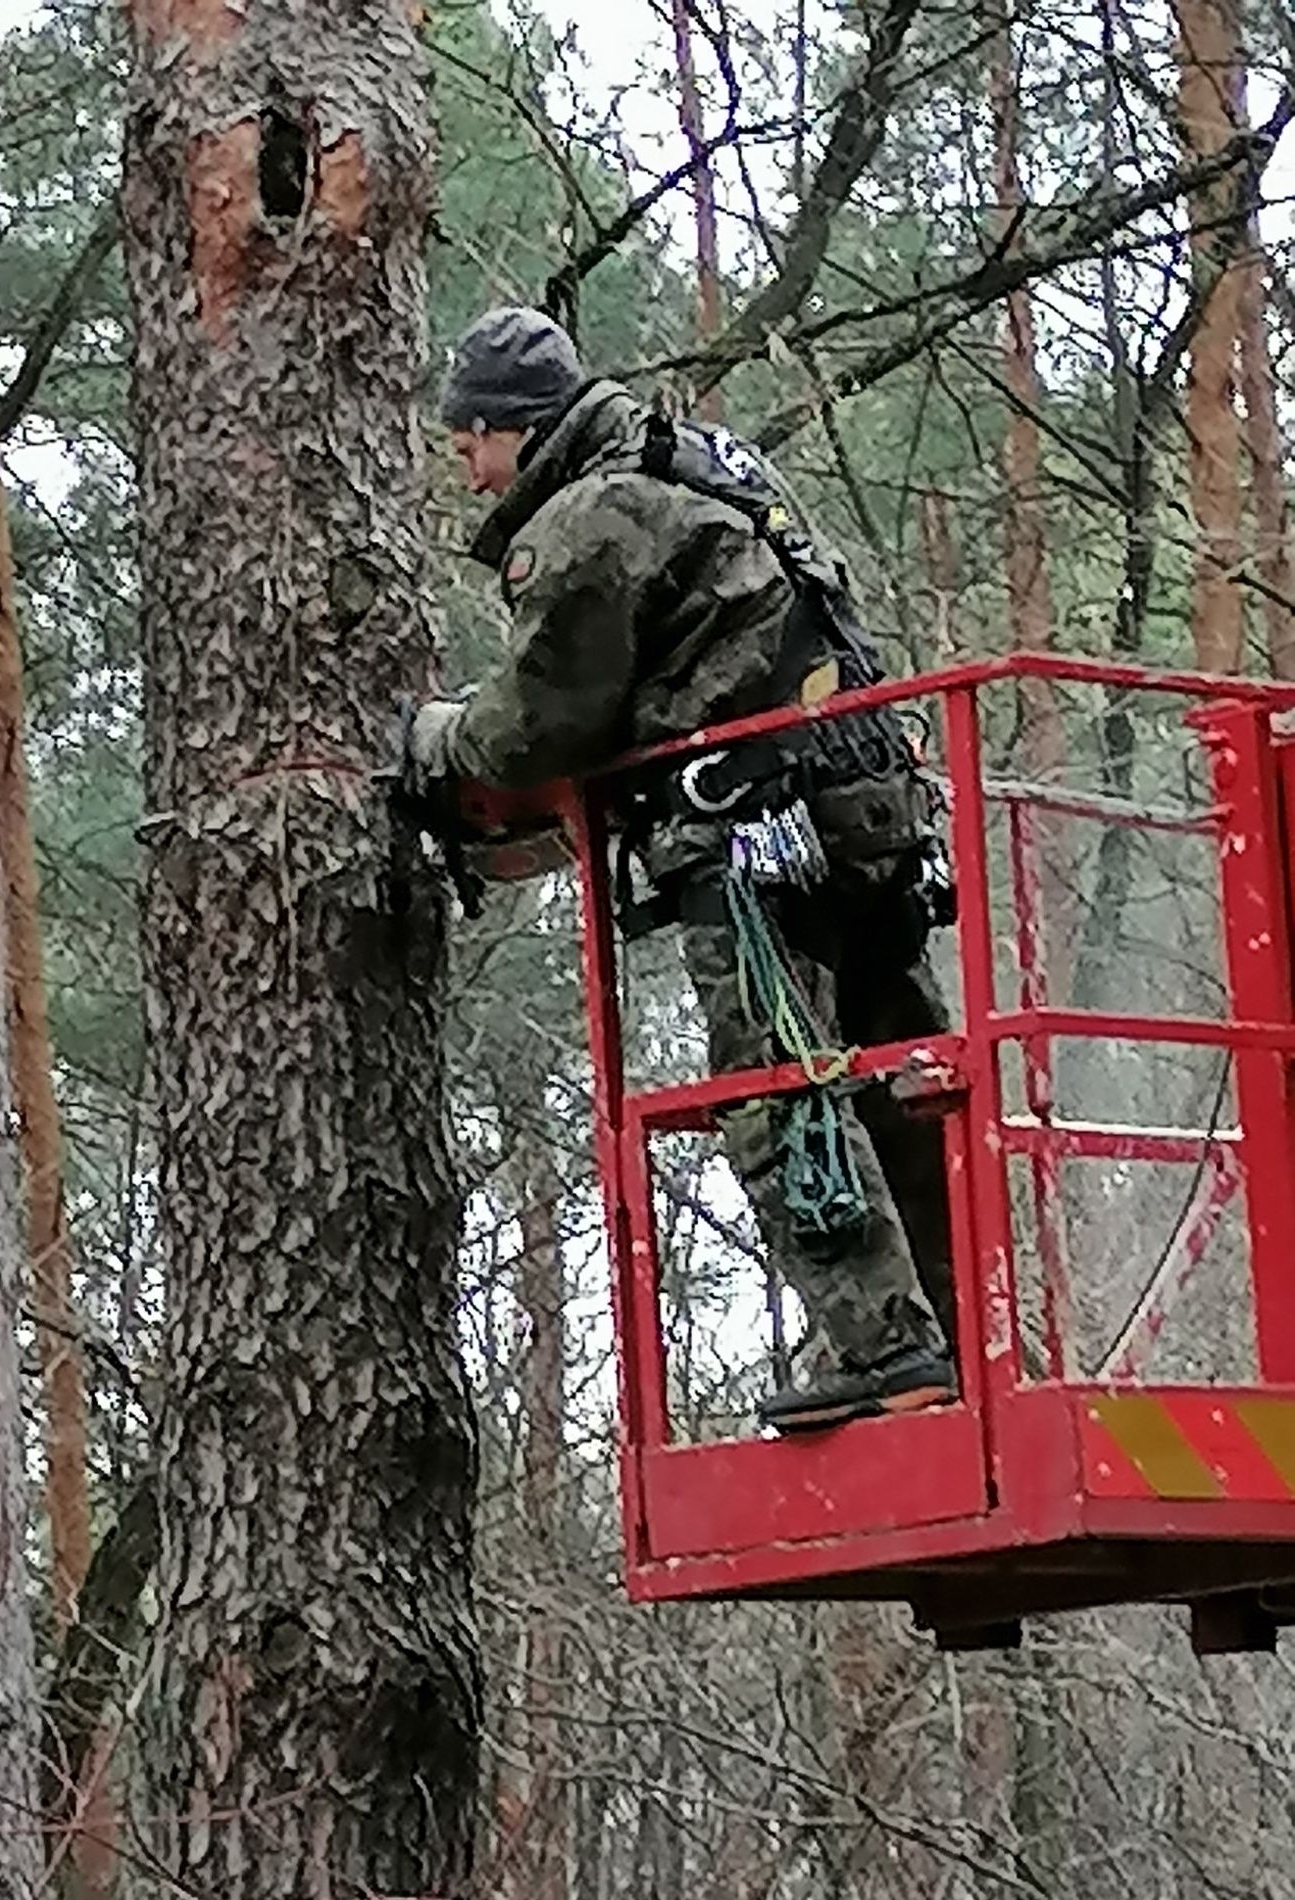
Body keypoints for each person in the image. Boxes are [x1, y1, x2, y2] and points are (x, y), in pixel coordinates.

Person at [410, 305, 957, 1430]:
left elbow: (534, 729)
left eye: (468, 440)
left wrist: (430, 741)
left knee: (781, 1093)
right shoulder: (698, 460)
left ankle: (887, 1346)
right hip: (871, 806)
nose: (465, 468)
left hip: (761, 827)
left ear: (516, 428)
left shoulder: (587, 517)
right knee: (903, 1076)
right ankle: (960, 1338)